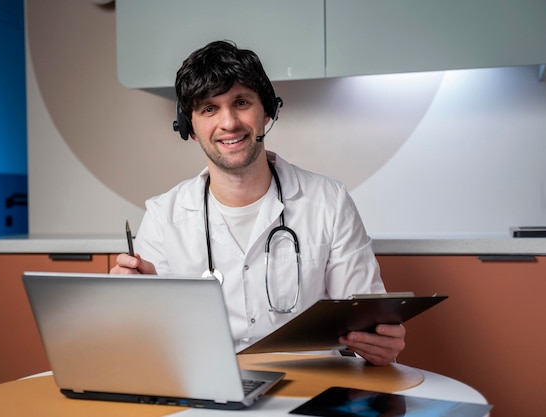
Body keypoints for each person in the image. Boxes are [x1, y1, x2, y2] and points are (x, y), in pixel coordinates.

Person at [111, 40, 405, 366]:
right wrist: (136, 306)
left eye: (241, 102)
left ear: (267, 111)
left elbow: (365, 315)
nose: (229, 123)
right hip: (209, 386)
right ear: (189, 128)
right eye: (209, 108)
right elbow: (151, 345)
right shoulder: (163, 216)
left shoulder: (329, 203)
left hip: (312, 387)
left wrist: (379, 343)